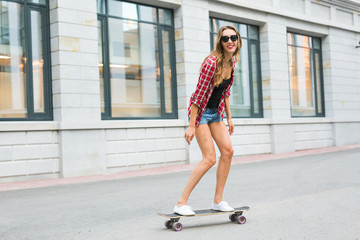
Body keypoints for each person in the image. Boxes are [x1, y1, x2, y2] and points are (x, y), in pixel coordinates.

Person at [173, 26, 242, 216]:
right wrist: (191, 126)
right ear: (220, 42)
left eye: (233, 37)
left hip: (216, 113)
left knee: (228, 151)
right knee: (210, 158)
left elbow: (226, 92)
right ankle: (181, 203)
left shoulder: (232, 62)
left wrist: (229, 118)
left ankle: (218, 200)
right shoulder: (211, 63)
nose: (230, 41)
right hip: (201, 113)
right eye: (225, 38)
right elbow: (198, 97)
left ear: (238, 40)